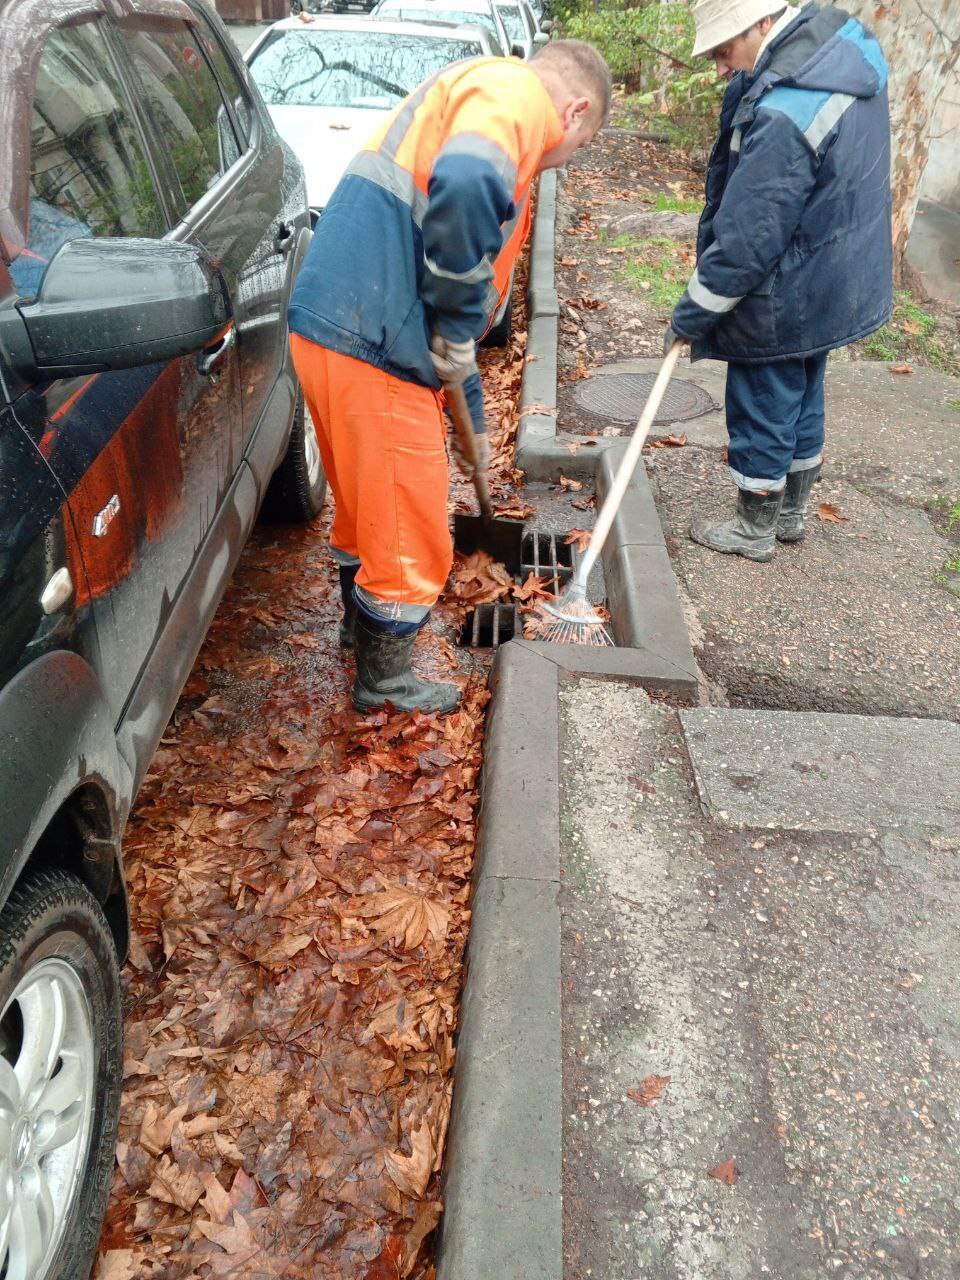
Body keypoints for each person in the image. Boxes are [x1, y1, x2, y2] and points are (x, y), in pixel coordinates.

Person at [289, 41, 611, 712]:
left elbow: (451, 317)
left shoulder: (469, 88)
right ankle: (384, 683)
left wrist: (473, 420)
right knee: (412, 532)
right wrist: (461, 322)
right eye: (578, 146)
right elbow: (466, 186)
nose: (562, 159)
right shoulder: (518, 97)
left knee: (363, 510)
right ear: (575, 110)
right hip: (377, 341)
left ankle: (359, 633)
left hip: (332, 323)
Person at [664, 0, 892, 562]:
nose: (719, 66)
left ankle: (754, 528)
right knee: (803, 384)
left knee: (763, 394)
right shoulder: (839, 49)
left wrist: (691, 315)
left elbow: (746, 242)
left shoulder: (785, 110)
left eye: (722, 49)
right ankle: (790, 514)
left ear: (762, 24)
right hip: (834, 269)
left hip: (787, 280)